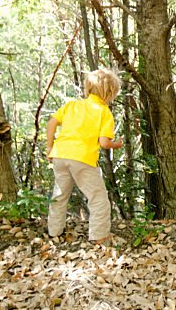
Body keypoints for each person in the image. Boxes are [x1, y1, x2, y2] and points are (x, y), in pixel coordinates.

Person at [46, 68, 124, 245]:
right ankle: (99, 238)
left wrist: (50, 147)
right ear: (110, 93)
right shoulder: (104, 113)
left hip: (60, 155)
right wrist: (116, 144)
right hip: (82, 158)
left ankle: (54, 233)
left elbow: (51, 122)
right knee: (98, 198)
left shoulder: (72, 105)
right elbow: (104, 143)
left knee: (59, 195)